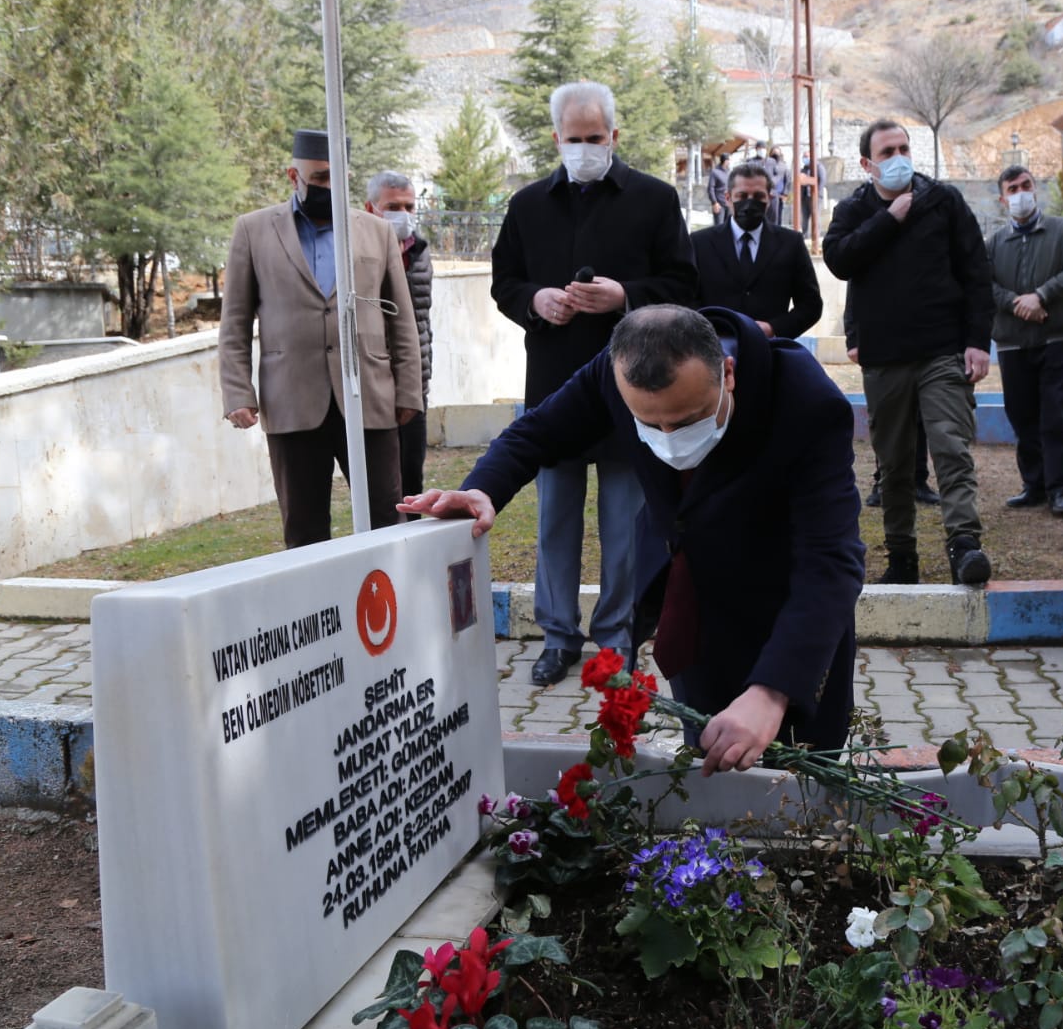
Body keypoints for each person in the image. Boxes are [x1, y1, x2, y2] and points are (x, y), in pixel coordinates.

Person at [399, 305, 865, 771]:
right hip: (694, 607)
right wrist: (482, 489)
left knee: (802, 786)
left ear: (728, 373)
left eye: (687, 421)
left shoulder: (807, 400)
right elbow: (537, 432)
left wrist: (771, 691)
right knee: (711, 768)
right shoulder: (617, 368)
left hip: (794, 620)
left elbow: (831, 561)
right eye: (650, 424)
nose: (669, 438)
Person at [490, 81, 697, 687]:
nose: (584, 148)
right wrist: (537, 299)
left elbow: (685, 285)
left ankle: (616, 643)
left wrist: (624, 295)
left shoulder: (655, 200)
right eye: (573, 140)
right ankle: (558, 637)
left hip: (632, 386)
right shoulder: (527, 205)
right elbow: (505, 283)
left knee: (625, 525)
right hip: (554, 389)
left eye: (595, 138)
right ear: (556, 138)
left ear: (614, 135)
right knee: (554, 521)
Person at [219, 129, 422, 548]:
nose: (329, 188)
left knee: (386, 519)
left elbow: (401, 319)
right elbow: (234, 321)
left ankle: (390, 609)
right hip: (291, 398)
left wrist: (409, 390)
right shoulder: (253, 231)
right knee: (304, 529)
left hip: (369, 396)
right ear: (293, 175)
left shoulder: (377, 231)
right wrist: (238, 391)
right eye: (320, 178)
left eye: (338, 178)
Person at [824, 118, 995, 586]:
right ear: (867, 164)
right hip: (884, 357)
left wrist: (978, 342)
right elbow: (839, 261)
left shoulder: (944, 202)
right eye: (887, 152)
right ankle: (902, 556)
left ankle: (965, 546)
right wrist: (889, 218)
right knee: (894, 464)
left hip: (942, 350)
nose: (898, 157)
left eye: (903, 148)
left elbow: (976, 273)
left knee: (950, 447)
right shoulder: (855, 209)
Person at [987, 165, 1063, 518]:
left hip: (1057, 338)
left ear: (1036, 188)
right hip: (1013, 342)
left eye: (1026, 185)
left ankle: (1060, 488)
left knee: (1057, 415)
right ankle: (1033, 485)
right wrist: (1017, 303)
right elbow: (984, 285)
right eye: (1012, 188)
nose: (1020, 193)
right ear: (1002, 199)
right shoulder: (995, 243)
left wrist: (1042, 296)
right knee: (1022, 415)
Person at [364, 170, 434, 519]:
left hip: (413, 384)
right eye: (393, 206)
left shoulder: (419, 252)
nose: (402, 215)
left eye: (409, 206)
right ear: (370, 207)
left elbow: (420, 321)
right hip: (371, 385)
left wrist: (419, 379)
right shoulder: (357, 256)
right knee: (380, 488)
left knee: (411, 481)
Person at [690, 161, 823, 339]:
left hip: (770, 353)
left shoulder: (791, 243)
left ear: (769, 199)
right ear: (728, 198)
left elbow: (811, 305)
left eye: (758, 196)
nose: (750, 203)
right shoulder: (700, 243)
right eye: (742, 195)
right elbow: (685, 299)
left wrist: (773, 328)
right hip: (713, 351)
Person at [766, 146, 792, 226]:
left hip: (780, 196)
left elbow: (788, 180)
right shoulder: (767, 164)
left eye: (777, 153)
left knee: (779, 217)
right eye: (774, 152)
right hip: (769, 195)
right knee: (769, 218)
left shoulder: (783, 165)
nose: (775, 154)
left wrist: (785, 193)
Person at [707, 153, 731, 228]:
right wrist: (714, 203)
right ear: (725, 161)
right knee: (719, 227)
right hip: (719, 205)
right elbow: (710, 188)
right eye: (729, 160)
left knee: (729, 227)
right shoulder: (715, 172)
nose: (730, 162)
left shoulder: (729, 172)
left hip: (729, 204)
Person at [799, 154, 818, 239]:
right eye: (804, 157)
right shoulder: (803, 170)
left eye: (807, 156)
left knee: (815, 216)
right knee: (805, 217)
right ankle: (805, 235)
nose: (805, 159)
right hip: (804, 197)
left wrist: (817, 194)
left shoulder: (817, 168)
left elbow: (821, 180)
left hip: (813, 196)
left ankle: (815, 236)